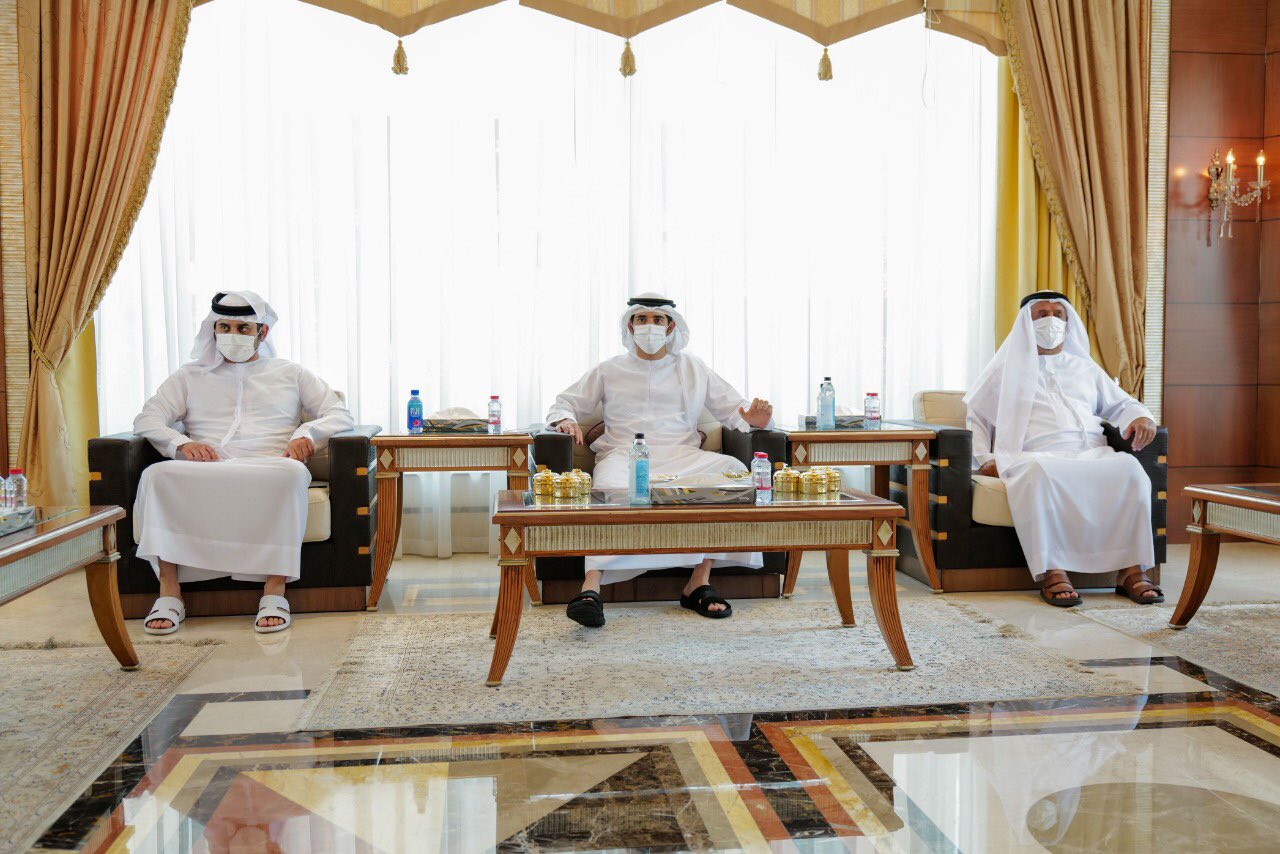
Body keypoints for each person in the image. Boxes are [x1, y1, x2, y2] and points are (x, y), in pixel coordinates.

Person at [546, 293, 774, 627]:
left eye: (658, 319)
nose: (649, 326)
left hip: (682, 455)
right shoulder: (609, 369)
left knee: (733, 473)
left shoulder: (693, 367)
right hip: (624, 454)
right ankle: (590, 588)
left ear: (670, 326)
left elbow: (735, 410)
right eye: (642, 319)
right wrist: (565, 419)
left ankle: (699, 581)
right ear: (630, 326)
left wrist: (755, 419)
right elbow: (565, 402)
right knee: (608, 486)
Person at [132, 291, 354, 634]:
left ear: (262, 333)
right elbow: (147, 419)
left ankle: (274, 590)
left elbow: (339, 413)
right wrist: (182, 444)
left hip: (270, 464)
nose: (231, 335)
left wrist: (307, 434)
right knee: (156, 476)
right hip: (207, 466)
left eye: (242, 328)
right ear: (213, 329)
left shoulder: (291, 373)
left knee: (291, 475)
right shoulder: (189, 376)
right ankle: (169, 592)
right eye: (224, 327)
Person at [964, 291, 1160, 607]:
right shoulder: (1002, 370)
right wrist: (985, 459)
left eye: (1058, 314)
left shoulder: (1085, 368)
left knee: (1131, 470)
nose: (1051, 321)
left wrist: (1141, 416)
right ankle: (1053, 571)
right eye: (1041, 315)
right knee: (1040, 473)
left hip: (1090, 452)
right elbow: (977, 418)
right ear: (1026, 323)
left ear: (1068, 322)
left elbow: (1122, 403)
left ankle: (1132, 571)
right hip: (1033, 455)